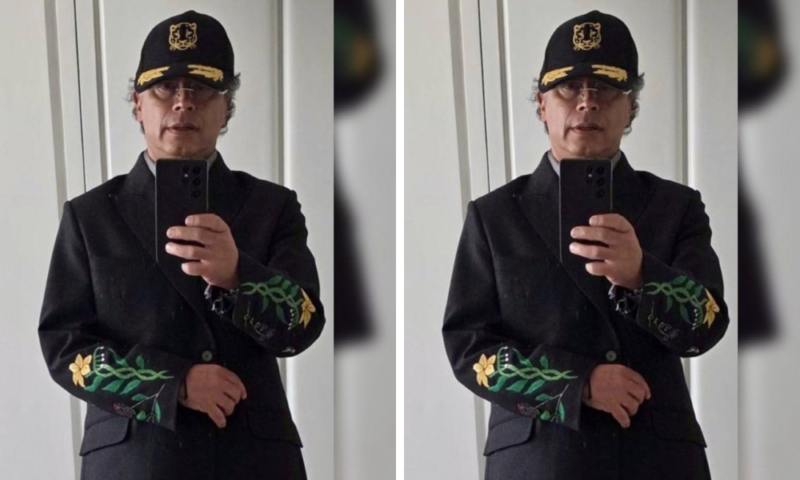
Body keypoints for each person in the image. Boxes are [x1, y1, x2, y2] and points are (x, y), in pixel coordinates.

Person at [443, 10, 729, 480]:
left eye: (606, 88)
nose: (587, 102)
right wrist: (578, 385)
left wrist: (642, 275)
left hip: (656, 460)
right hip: (539, 462)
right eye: (568, 87)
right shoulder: (494, 216)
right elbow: (468, 347)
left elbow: (707, 326)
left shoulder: (676, 206)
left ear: (631, 107)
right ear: (542, 104)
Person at [38, 10, 324, 480]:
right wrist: (175, 385)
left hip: (252, 460)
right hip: (135, 462)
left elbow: (303, 326)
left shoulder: (272, 206)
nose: (183, 102)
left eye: (202, 88)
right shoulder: (90, 216)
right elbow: (65, 346)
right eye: (165, 87)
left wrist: (238, 275)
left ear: (227, 108)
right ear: (138, 104)